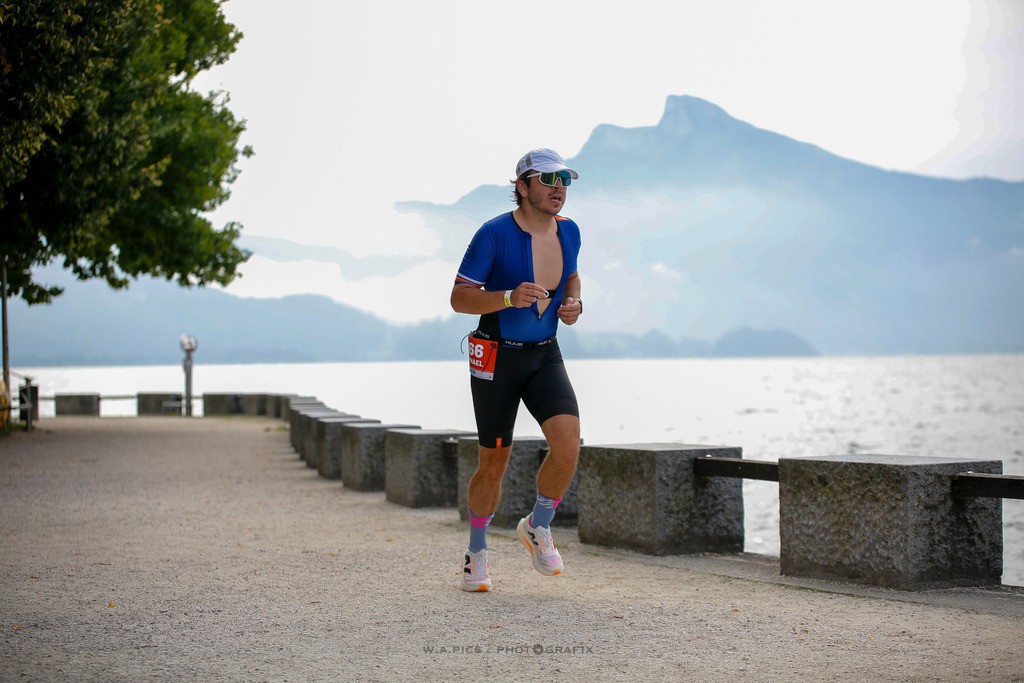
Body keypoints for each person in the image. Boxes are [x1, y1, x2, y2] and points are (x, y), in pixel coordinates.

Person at [450, 148, 583, 592]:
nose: (558, 187)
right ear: (522, 186)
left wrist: (573, 303)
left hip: (545, 353)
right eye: (547, 180)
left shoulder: (570, 232)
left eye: (563, 179)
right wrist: (507, 297)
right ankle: (477, 552)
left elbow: (573, 278)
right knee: (494, 463)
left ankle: (537, 525)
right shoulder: (493, 233)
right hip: (497, 357)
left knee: (568, 446)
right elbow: (460, 298)